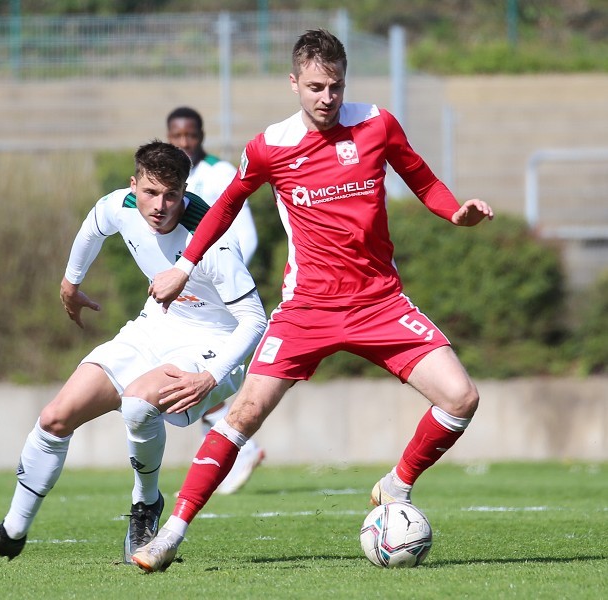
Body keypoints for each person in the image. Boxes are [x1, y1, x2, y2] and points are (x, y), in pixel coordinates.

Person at [132, 29, 494, 573]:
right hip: (307, 309)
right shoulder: (270, 146)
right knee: (244, 414)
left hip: (380, 303)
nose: (328, 97)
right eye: (317, 86)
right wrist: (184, 267)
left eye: (337, 86)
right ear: (295, 83)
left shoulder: (376, 123)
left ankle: (396, 485)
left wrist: (452, 211)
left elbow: (420, 177)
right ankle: (170, 536)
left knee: (461, 398)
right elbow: (227, 205)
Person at [0, 140, 266, 565]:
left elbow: (256, 319)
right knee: (55, 418)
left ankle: (145, 505)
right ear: (135, 185)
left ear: (185, 190)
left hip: (213, 344)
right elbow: (95, 224)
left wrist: (212, 376)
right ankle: (12, 532)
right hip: (155, 326)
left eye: (172, 195)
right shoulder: (122, 205)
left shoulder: (211, 239)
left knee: (137, 402)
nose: (160, 206)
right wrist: (70, 282)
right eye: (151, 192)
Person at [166, 106, 265, 495]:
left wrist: (227, 284)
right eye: (177, 136)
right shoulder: (167, 180)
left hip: (219, 295)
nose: (184, 143)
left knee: (204, 377)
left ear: (201, 135)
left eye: (190, 135)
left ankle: (243, 445)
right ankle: (240, 446)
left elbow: (247, 235)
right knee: (182, 374)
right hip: (182, 296)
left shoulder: (219, 174)